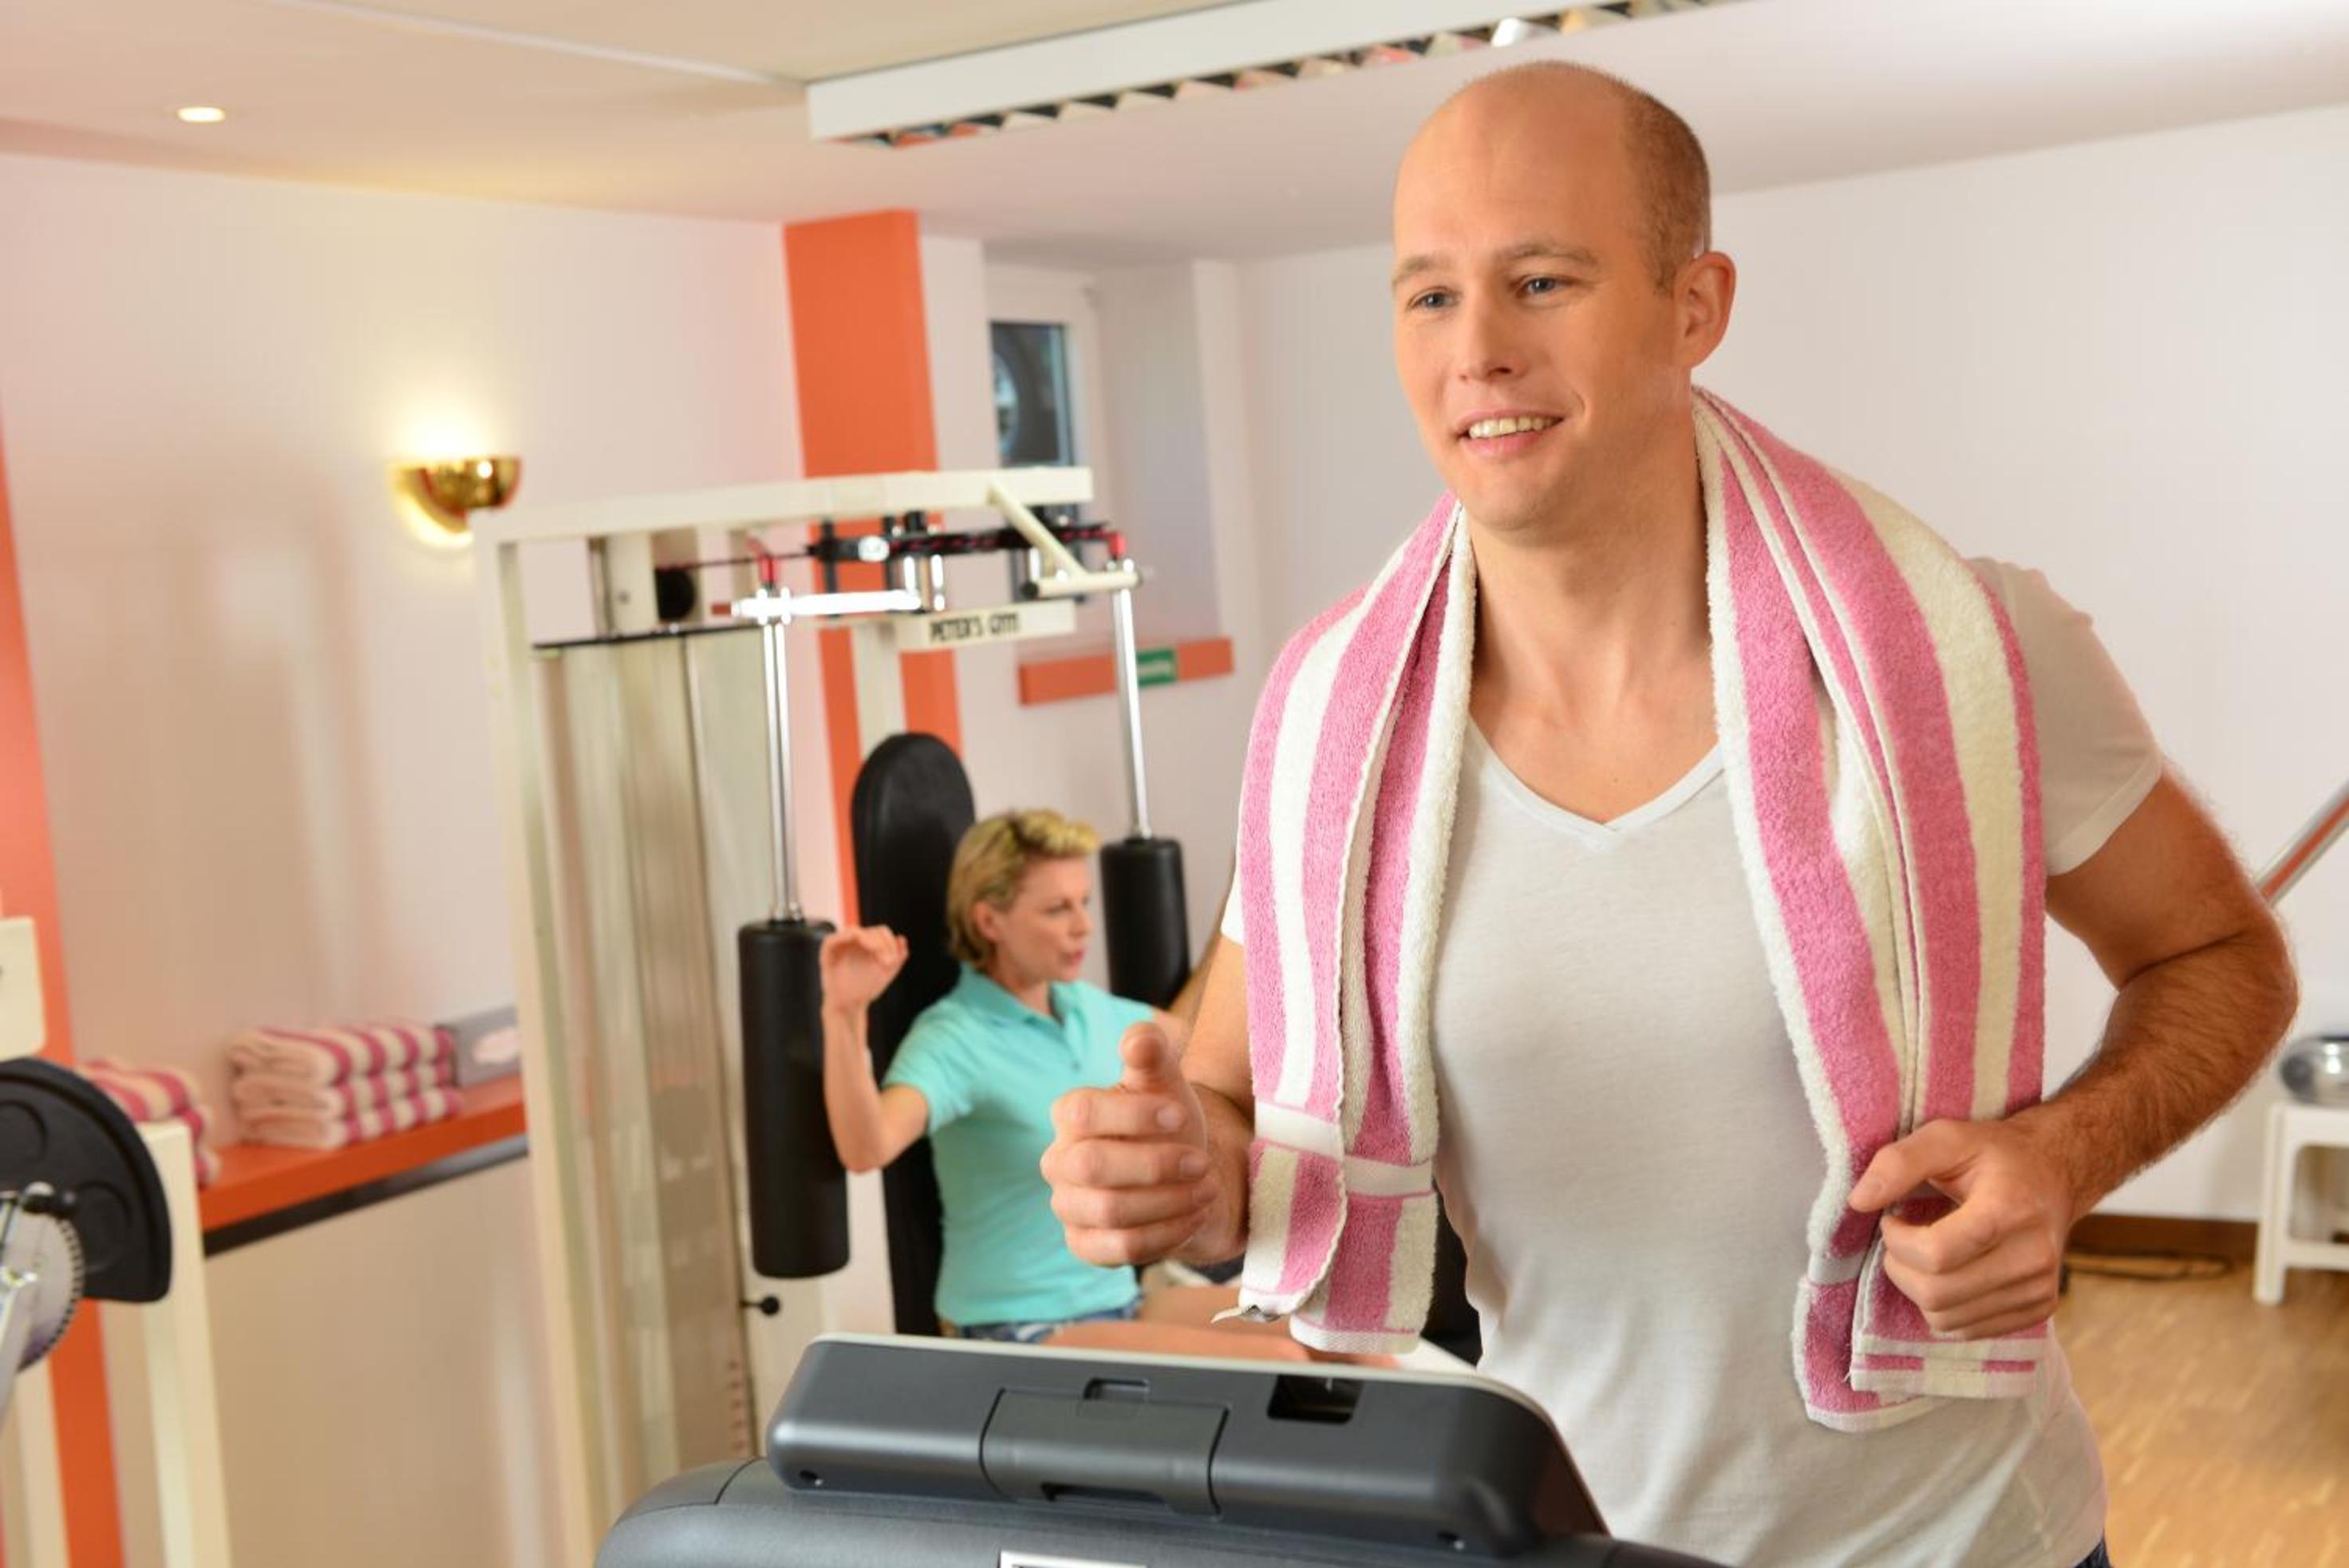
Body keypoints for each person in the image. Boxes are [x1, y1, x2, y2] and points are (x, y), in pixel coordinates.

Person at [1040, 62, 2299, 1568]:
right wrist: (1180, 1178)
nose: (1477, 351)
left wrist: (2064, 1158)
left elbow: (2220, 958)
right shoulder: (1332, 730)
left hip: (1959, 1539)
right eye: (1428, 296)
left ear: (1694, 306)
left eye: (1541, 281)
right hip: (1543, 1534)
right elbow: (1227, 1106)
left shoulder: (1968, 651)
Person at [817, 807, 1197, 1343]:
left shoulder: (1085, 1008)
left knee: (1314, 1339)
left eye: (1084, 903)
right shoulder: (955, 1036)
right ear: (989, 921)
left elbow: (1213, 1047)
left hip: (1116, 1300)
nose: (1083, 925)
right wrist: (844, 1013)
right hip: (1012, 1322)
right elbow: (867, 1145)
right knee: (1284, 1367)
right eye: (1057, 909)